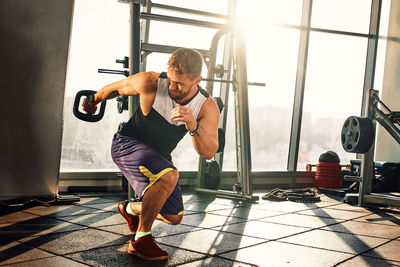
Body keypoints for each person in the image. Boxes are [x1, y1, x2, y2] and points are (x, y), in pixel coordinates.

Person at [83, 48, 220, 261]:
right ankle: (141, 239)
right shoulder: (152, 82)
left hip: (158, 156)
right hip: (127, 144)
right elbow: (117, 88)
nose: (173, 87)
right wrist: (93, 100)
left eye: (180, 84)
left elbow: (209, 151)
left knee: (174, 217)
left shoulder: (206, 106)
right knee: (169, 175)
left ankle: (129, 208)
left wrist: (193, 126)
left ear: (197, 80)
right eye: (172, 80)